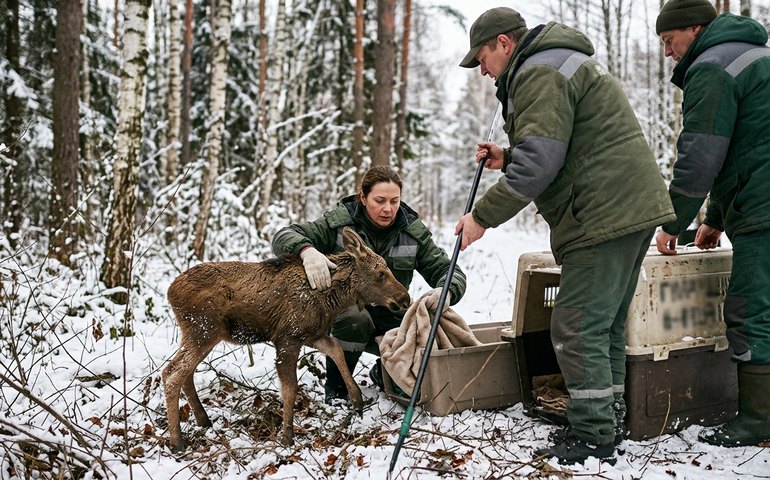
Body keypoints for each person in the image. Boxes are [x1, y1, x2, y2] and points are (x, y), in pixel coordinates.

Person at [456, 7, 675, 464]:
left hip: (601, 212)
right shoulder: (555, 62)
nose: (482, 69)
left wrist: (481, 217)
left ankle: (594, 434)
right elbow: (561, 144)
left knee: (575, 326)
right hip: (628, 207)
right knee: (604, 325)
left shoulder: (537, 72)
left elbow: (540, 164)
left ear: (504, 44)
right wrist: (507, 154)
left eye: (482, 57)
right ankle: (609, 416)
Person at [654, 0, 770, 447]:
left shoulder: (711, 66)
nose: (667, 52)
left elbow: (701, 156)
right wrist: (715, 218)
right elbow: (749, 143)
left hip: (764, 210)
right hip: (755, 196)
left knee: (751, 311)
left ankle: (758, 419)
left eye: (669, 40)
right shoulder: (755, 56)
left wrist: (672, 222)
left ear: (695, 29)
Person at [271, 165, 467, 403]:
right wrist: (307, 251)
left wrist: (446, 290)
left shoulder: (411, 232)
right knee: (356, 318)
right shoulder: (338, 224)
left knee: (428, 327)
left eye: (395, 201)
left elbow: (446, 269)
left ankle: (384, 372)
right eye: (380, 200)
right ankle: (339, 388)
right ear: (363, 198)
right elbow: (283, 235)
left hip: (390, 311)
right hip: (342, 316)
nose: (388, 209)